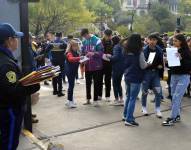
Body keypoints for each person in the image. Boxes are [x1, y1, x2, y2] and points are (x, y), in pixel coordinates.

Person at [0, 23, 40, 150]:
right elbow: (12, 91)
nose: (17, 41)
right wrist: (34, 85)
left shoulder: (5, 58)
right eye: (15, 38)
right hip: (9, 110)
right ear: (9, 40)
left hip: (5, 108)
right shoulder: (6, 63)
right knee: (9, 143)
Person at [162, 34, 191, 126]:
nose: (173, 42)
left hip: (183, 76)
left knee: (176, 97)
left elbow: (188, 66)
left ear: (181, 41)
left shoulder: (187, 52)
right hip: (173, 76)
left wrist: (181, 59)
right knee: (173, 97)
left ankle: (172, 118)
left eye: (175, 41)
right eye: (173, 41)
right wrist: (167, 61)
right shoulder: (174, 50)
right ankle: (177, 115)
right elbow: (171, 66)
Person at [123, 33, 149, 126]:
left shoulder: (125, 50)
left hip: (127, 76)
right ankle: (129, 119)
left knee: (128, 97)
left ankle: (125, 115)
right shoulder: (139, 52)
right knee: (132, 98)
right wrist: (147, 63)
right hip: (136, 77)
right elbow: (143, 66)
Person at [141, 33, 164, 118]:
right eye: (150, 39)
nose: (152, 41)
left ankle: (158, 109)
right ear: (147, 40)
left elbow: (161, 64)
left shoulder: (159, 50)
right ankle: (144, 107)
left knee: (158, 91)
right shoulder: (144, 50)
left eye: (154, 40)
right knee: (144, 92)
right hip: (146, 74)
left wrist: (160, 66)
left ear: (157, 41)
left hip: (156, 74)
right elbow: (144, 64)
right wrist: (153, 64)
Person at [81, 28, 103, 107]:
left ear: (88, 33)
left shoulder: (97, 40)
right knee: (88, 83)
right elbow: (82, 52)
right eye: (83, 37)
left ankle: (96, 100)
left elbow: (101, 53)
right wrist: (83, 59)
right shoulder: (84, 42)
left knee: (96, 83)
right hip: (87, 66)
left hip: (97, 66)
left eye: (85, 36)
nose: (85, 38)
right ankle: (88, 99)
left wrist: (93, 53)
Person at [106, 35, 124, 105]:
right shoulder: (121, 46)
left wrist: (109, 56)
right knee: (119, 84)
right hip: (121, 67)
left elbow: (115, 57)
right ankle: (121, 98)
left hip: (116, 67)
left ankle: (116, 99)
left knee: (115, 83)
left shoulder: (116, 47)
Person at [48, 32, 67, 97]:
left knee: (54, 76)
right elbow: (66, 51)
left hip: (54, 61)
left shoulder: (52, 42)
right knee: (60, 77)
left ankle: (55, 91)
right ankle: (60, 92)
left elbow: (46, 50)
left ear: (56, 36)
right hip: (61, 62)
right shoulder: (63, 42)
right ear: (61, 36)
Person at [65, 40, 83, 108]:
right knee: (71, 86)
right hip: (70, 71)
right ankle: (70, 101)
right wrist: (79, 58)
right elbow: (70, 59)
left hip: (73, 71)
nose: (76, 47)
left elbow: (76, 60)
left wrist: (82, 60)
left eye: (77, 46)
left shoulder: (75, 52)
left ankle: (70, 100)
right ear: (71, 46)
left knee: (71, 86)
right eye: (75, 46)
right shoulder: (69, 52)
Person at [98, 29, 113, 102]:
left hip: (109, 63)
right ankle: (99, 95)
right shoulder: (100, 42)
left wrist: (110, 56)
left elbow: (114, 52)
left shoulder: (112, 42)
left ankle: (107, 96)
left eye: (110, 36)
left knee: (108, 80)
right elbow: (97, 51)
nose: (109, 37)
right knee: (99, 80)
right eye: (107, 36)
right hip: (100, 63)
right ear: (104, 35)